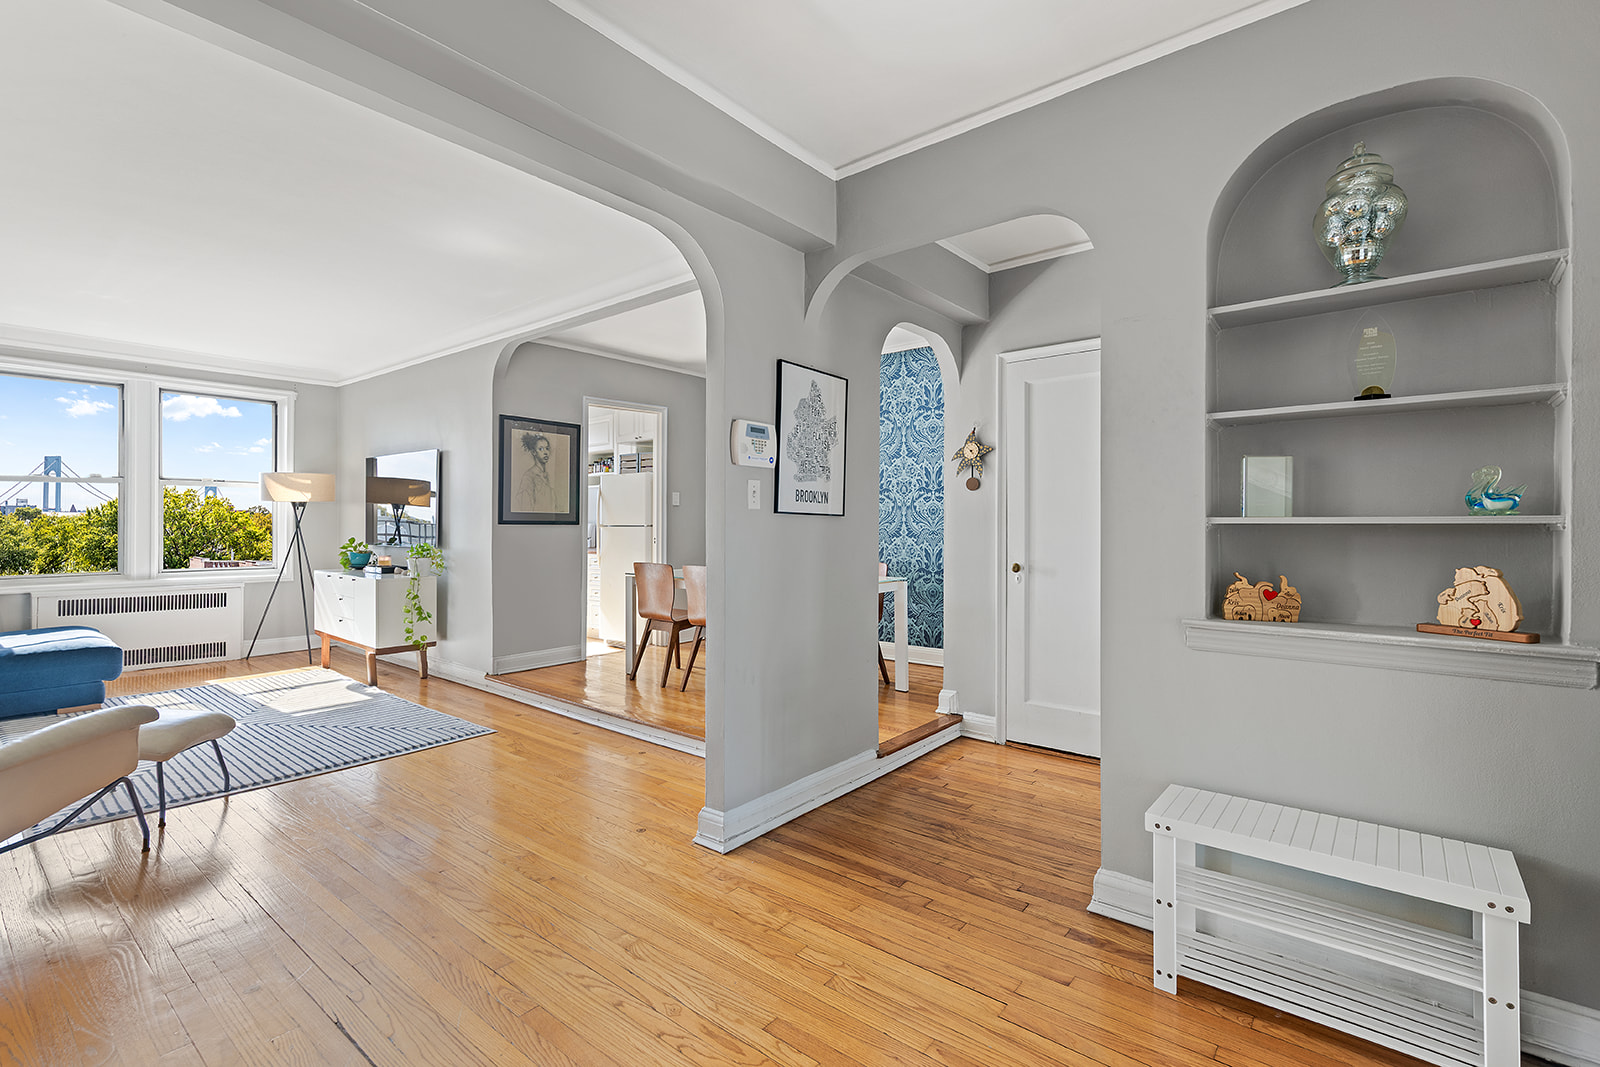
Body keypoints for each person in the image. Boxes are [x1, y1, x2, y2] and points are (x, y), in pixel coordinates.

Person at [514, 432, 559, 512]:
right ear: (534, 452)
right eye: (541, 449)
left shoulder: (547, 476)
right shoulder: (529, 477)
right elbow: (526, 508)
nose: (545, 452)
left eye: (547, 448)